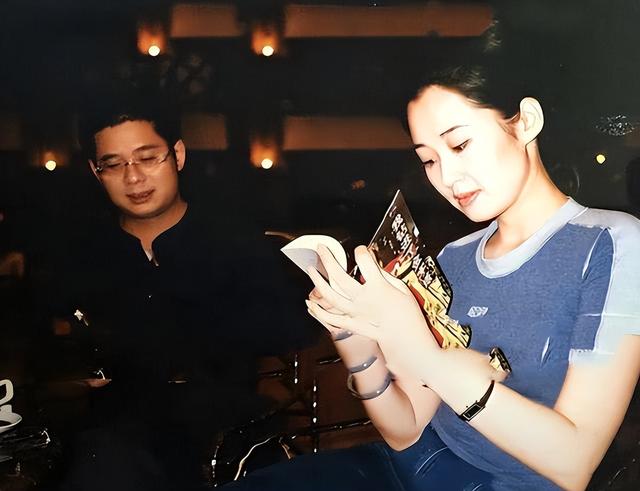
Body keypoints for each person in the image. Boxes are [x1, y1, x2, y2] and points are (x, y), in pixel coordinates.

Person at [222, 63, 640, 491]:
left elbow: (573, 463)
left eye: (459, 144)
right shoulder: (452, 258)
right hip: (417, 465)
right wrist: (353, 334)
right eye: (428, 159)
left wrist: (423, 354)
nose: (447, 177)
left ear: (526, 121)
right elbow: (406, 429)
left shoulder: (611, 242)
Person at [43, 94, 313, 491]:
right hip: (115, 432)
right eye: (114, 164)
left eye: (148, 158)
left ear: (178, 155)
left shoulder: (233, 240)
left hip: (223, 427)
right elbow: (54, 355)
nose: (133, 178)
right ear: (95, 172)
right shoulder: (84, 256)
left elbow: (290, 328)